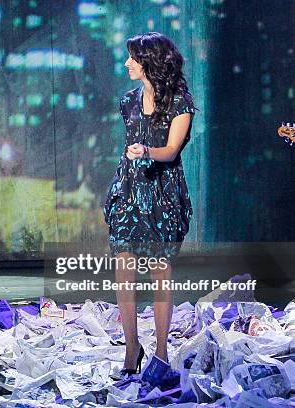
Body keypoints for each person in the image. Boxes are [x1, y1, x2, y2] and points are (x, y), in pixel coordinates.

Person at [103, 32, 195, 376]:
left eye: (132, 58)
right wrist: (134, 158)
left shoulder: (179, 103)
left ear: (149, 62)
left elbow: (171, 150)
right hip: (129, 190)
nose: (127, 63)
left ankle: (160, 350)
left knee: (159, 270)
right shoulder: (127, 101)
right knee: (124, 269)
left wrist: (146, 152)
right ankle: (131, 348)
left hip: (162, 192)